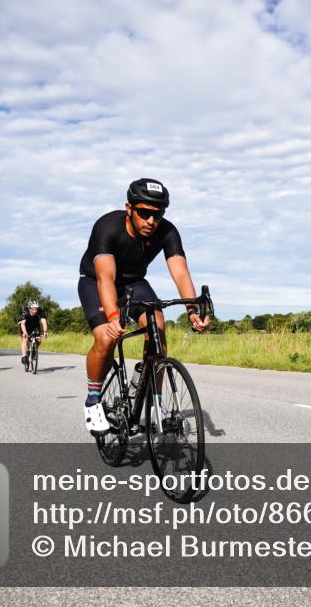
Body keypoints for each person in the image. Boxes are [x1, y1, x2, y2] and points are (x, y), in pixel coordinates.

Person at [78, 178, 209, 432]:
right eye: (144, 213)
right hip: (96, 282)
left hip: (134, 282)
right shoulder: (107, 226)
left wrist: (192, 310)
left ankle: (153, 400)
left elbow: (181, 273)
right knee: (106, 338)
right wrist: (114, 315)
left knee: (157, 325)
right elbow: (106, 278)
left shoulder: (167, 231)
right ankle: (93, 399)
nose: (151, 221)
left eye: (157, 214)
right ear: (129, 208)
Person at [18, 300, 48, 366]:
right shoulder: (25, 312)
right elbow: (22, 324)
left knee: (39, 340)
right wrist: (25, 333)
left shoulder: (41, 311)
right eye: (33, 309)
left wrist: (45, 332)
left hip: (35, 326)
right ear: (29, 308)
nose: (35, 311)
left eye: (36, 309)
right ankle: (24, 356)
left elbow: (44, 322)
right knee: (25, 338)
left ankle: (34, 351)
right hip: (26, 326)